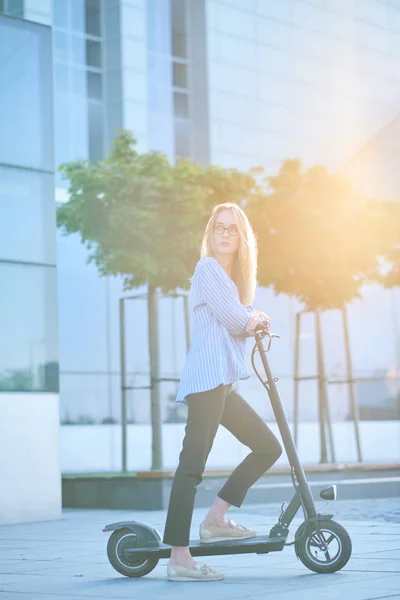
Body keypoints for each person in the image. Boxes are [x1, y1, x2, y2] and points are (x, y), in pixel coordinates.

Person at [163, 202, 282, 581]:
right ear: (210, 235)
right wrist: (256, 317)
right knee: (191, 467)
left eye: (232, 228)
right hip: (206, 383)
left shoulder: (233, 283)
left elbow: (237, 318)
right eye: (219, 228)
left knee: (268, 447)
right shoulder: (208, 268)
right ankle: (179, 559)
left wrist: (251, 316)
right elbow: (235, 320)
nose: (225, 233)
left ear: (243, 237)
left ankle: (216, 518)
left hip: (223, 385)